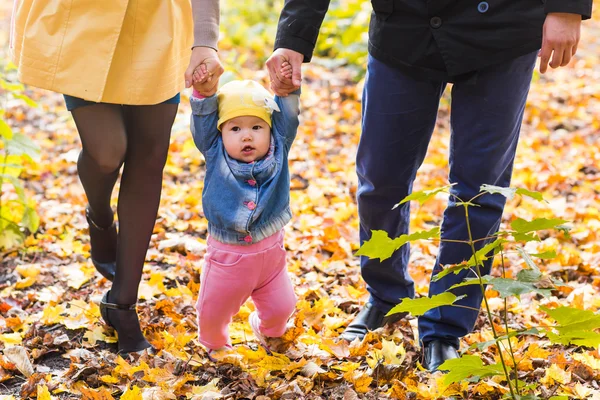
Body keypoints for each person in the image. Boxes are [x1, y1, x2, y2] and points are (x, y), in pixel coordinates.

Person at [266, 0, 593, 371]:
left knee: (479, 190)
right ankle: (386, 296)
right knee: (380, 180)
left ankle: (445, 326)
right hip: (404, 25)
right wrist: (293, 35)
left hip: (504, 25)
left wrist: (568, 6)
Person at [10, 0, 224, 354]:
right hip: (84, 19)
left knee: (149, 158)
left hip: (158, 24)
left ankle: (122, 305)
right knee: (107, 151)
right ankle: (99, 214)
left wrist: (205, 38)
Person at [189, 66, 300, 358]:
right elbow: (203, 123)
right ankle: (215, 346)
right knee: (213, 312)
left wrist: (286, 90)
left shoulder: (279, 148)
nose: (246, 136)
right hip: (228, 257)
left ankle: (268, 331)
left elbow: (287, 118)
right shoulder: (215, 152)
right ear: (221, 132)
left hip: (271, 257)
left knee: (283, 307)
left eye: (256, 127)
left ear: (269, 129)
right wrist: (204, 94)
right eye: (235, 129)